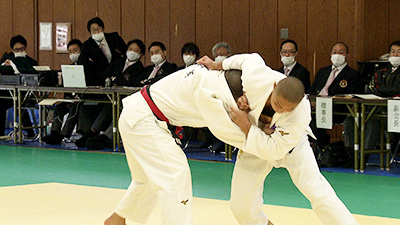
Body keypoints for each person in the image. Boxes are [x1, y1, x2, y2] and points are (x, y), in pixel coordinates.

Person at [104, 53, 357, 225]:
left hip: (286, 148)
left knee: (316, 190)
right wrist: (219, 64)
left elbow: (274, 149)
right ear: (273, 88)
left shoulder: (299, 116)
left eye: (284, 109)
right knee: (241, 207)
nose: (279, 109)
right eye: (276, 102)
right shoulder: (254, 80)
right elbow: (249, 59)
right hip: (251, 144)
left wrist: (246, 125)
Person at [84, 39, 146, 150]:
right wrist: (113, 79)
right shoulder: (118, 61)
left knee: (119, 109)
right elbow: (106, 74)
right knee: (108, 106)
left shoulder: (139, 68)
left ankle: (108, 137)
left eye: (136, 50)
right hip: (111, 96)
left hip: (127, 99)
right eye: (130, 49)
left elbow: (128, 82)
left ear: (141, 54)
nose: (132, 52)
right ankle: (92, 131)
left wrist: (115, 79)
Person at [344, 40, 400, 152]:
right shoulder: (381, 71)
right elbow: (371, 87)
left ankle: (365, 155)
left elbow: (396, 89)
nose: (395, 55)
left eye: (399, 52)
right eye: (393, 52)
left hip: (393, 112)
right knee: (350, 121)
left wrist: (380, 90)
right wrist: (382, 90)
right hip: (373, 110)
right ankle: (350, 154)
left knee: (373, 123)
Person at [309, 42, 362, 149]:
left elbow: (351, 96)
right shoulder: (323, 71)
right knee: (304, 116)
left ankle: (323, 147)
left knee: (314, 120)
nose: (337, 55)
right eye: (334, 52)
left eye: (341, 52)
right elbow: (312, 90)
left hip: (337, 110)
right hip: (316, 106)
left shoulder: (352, 75)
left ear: (347, 55)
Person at [43, 39, 87, 145]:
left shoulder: (88, 66)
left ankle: (63, 134)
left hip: (84, 99)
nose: (72, 54)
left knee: (75, 109)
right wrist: (67, 99)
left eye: (75, 50)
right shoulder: (70, 68)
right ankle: (55, 132)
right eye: (70, 51)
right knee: (59, 108)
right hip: (71, 98)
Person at [0, 35, 38, 137]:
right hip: (8, 94)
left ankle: (30, 132)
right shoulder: (6, 59)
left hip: (25, 94)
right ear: (12, 49)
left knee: (20, 104)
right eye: (16, 49)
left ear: (25, 48)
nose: (19, 51)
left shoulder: (32, 62)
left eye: (22, 49)